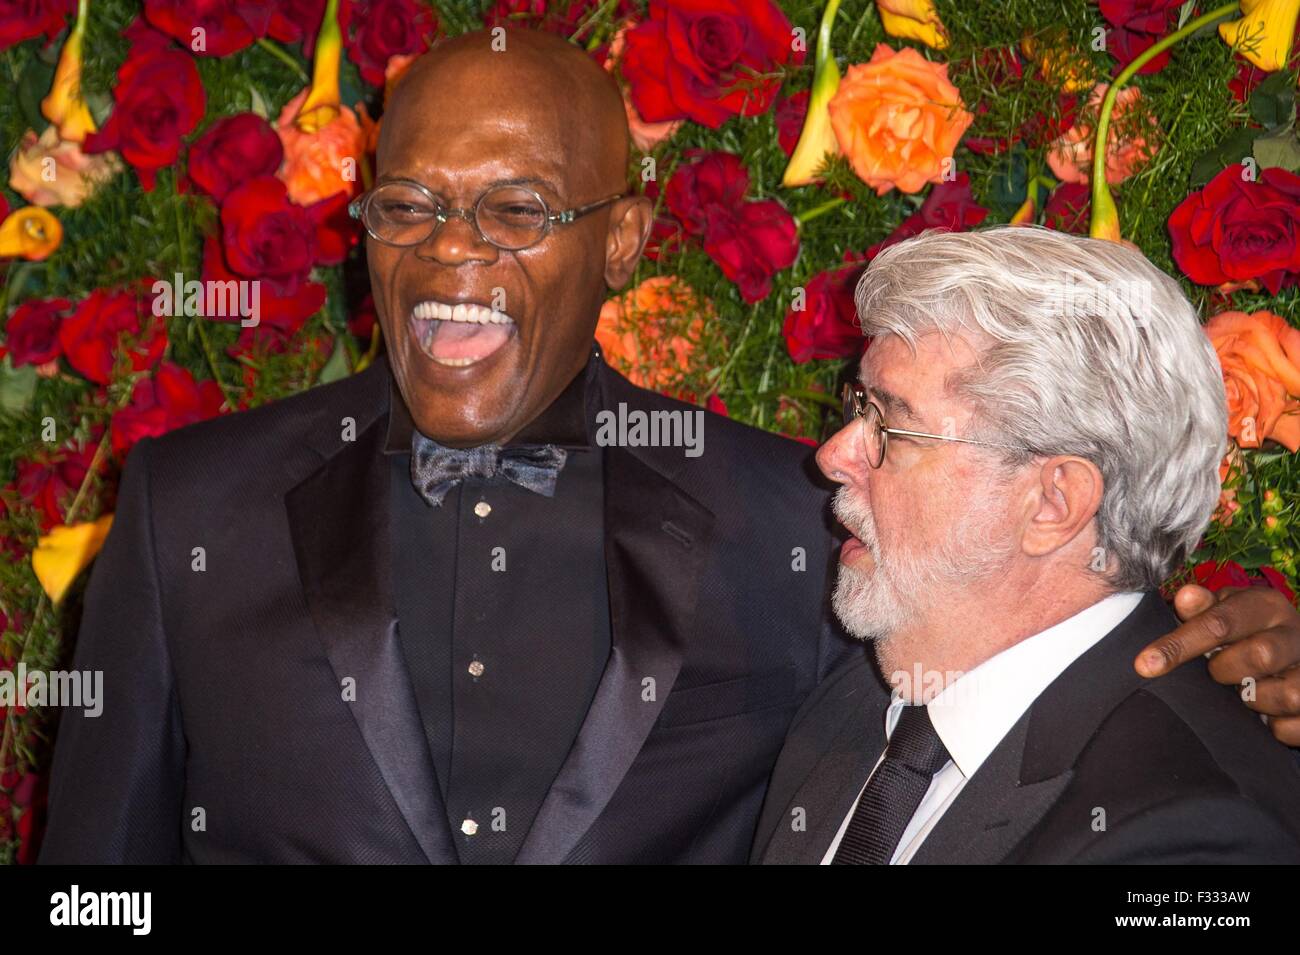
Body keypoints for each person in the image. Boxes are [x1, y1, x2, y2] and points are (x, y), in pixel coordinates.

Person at [39, 29, 1300, 865]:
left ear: (626, 244)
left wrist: (1244, 654)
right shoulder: (185, 508)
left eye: (516, 209)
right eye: (407, 205)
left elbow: (1030, 640)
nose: (447, 253)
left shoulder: (804, 520)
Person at [752, 226, 1300, 865]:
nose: (833, 455)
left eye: (892, 426)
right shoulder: (856, 697)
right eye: (859, 406)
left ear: (1051, 504)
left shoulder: (1193, 836)